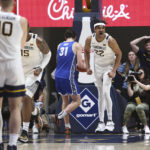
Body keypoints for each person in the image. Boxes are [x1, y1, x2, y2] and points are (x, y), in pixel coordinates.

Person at [84, 18, 122, 132]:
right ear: (94, 29)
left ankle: (110, 121)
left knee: (106, 91)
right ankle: (101, 122)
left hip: (108, 67)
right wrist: (88, 66)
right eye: (99, 28)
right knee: (101, 95)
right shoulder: (90, 39)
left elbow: (119, 54)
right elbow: (86, 51)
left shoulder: (110, 40)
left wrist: (114, 70)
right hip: (97, 68)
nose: (101, 29)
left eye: (103, 28)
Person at [0, 0, 28, 149]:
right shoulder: (22, 21)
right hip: (13, 64)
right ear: (14, 4)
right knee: (15, 107)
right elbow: (21, 45)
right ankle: (12, 144)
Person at [18, 31, 51, 143]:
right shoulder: (14, 39)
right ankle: (35, 110)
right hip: (19, 74)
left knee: (26, 98)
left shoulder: (37, 40)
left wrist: (41, 67)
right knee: (25, 100)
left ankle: (25, 131)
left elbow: (48, 54)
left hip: (34, 75)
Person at [55, 28, 86, 134]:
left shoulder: (59, 45)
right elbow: (80, 65)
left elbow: (57, 61)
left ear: (65, 37)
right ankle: (60, 114)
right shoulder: (77, 45)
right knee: (78, 101)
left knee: (65, 101)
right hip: (68, 77)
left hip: (58, 75)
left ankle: (67, 127)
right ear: (75, 37)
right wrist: (88, 68)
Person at [122, 67, 150, 134]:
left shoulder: (148, 81)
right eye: (138, 73)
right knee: (129, 107)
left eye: (141, 73)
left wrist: (136, 81)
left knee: (139, 107)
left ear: (145, 73)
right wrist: (129, 85)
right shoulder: (133, 82)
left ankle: (146, 126)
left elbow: (146, 88)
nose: (140, 74)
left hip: (145, 103)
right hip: (135, 102)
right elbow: (131, 95)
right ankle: (124, 126)